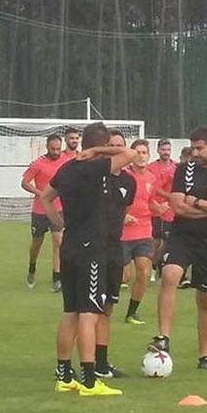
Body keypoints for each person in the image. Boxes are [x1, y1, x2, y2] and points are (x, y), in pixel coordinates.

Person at [41, 121, 138, 396]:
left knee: (70, 311)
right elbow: (130, 154)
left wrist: (59, 224)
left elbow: (46, 198)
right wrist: (98, 150)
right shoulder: (93, 167)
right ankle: (89, 381)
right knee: (89, 313)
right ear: (100, 144)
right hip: (91, 249)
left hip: (70, 245)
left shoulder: (68, 167)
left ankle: (63, 375)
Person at [147, 128, 207, 372]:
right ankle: (163, 337)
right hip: (183, 236)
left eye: (200, 148)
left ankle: (204, 357)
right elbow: (178, 207)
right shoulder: (184, 170)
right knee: (169, 275)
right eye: (193, 148)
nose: (195, 153)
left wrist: (198, 203)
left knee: (205, 300)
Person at [94, 130, 138, 379]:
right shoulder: (94, 176)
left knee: (108, 307)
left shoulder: (129, 182)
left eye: (120, 146)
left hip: (113, 248)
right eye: (111, 146)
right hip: (92, 248)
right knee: (89, 308)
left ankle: (102, 362)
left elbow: (123, 210)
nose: (117, 150)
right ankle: (87, 363)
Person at [122, 139, 161, 325]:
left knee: (144, 272)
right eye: (137, 152)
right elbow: (111, 203)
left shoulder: (152, 178)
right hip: (122, 233)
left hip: (144, 231)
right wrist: (122, 217)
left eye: (144, 152)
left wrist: (159, 208)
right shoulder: (123, 177)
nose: (141, 156)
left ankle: (132, 312)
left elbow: (149, 201)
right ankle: (103, 307)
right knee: (121, 276)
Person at [21, 134, 68, 291]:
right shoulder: (38, 164)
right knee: (37, 244)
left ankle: (57, 277)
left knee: (58, 242)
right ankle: (32, 268)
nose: (56, 152)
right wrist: (39, 193)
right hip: (40, 210)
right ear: (47, 147)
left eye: (58, 149)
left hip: (58, 209)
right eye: (52, 149)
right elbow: (25, 182)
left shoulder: (66, 161)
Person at [148, 139, 175, 281]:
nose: (166, 152)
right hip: (155, 210)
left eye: (168, 150)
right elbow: (153, 188)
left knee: (168, 242)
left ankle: (160, 266)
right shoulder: (151, 167)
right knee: (156, 241)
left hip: (170, 211)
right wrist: (168, 195)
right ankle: (152, 267)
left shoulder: (176, 167)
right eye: (163, 149)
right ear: (158, 150)